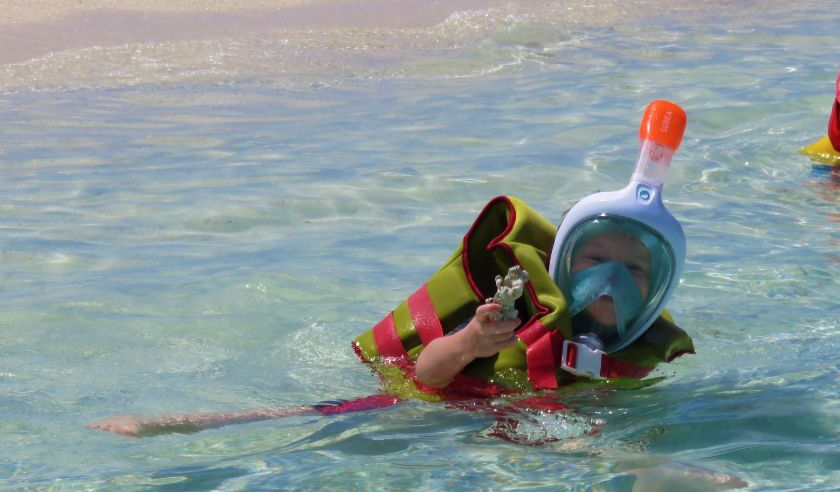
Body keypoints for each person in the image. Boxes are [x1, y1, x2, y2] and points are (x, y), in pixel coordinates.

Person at [88, 100, 695, 437]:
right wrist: (470, 340)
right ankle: (180, 422)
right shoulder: (512, 312)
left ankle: (650, 477)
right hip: (439, 403)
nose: (610, 280)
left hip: (519, 424)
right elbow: (426, 374)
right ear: (561, 263)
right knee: (316, 415)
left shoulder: (636, 348)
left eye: (634, 271)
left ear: (658, 287)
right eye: (593, 260)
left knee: (598, 446)